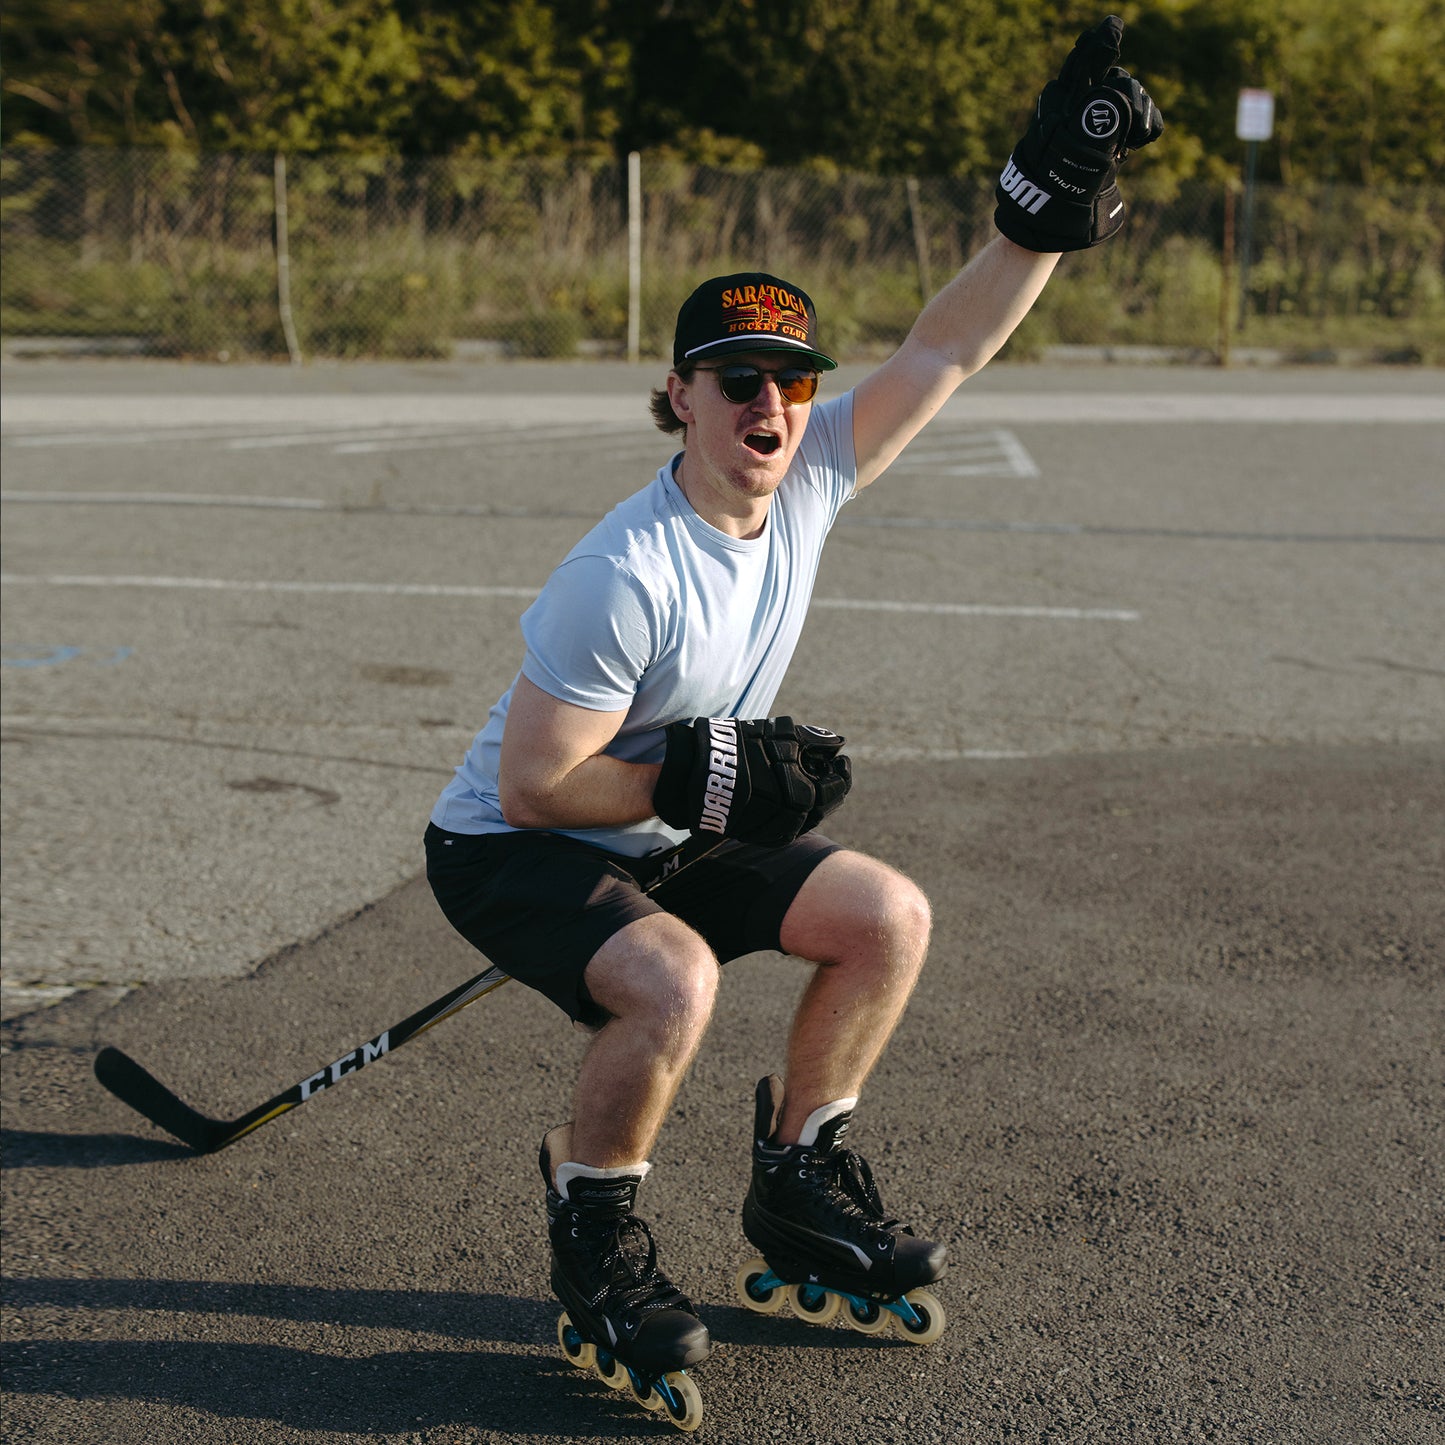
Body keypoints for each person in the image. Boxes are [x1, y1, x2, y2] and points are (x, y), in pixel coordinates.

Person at [425, 13, 1161, 1415]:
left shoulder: (814, 473)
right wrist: (698, 776)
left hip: (668, 813)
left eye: (791, 377)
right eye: (736, 379)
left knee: (886, 913)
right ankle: (595, 1238)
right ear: (678, 399)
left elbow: (948, 345)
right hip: (512, 846)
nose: (770, 402)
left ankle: (801, 1181)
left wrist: (1039, 211)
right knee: (669, 984)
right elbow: (532, 785)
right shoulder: (621, 572)